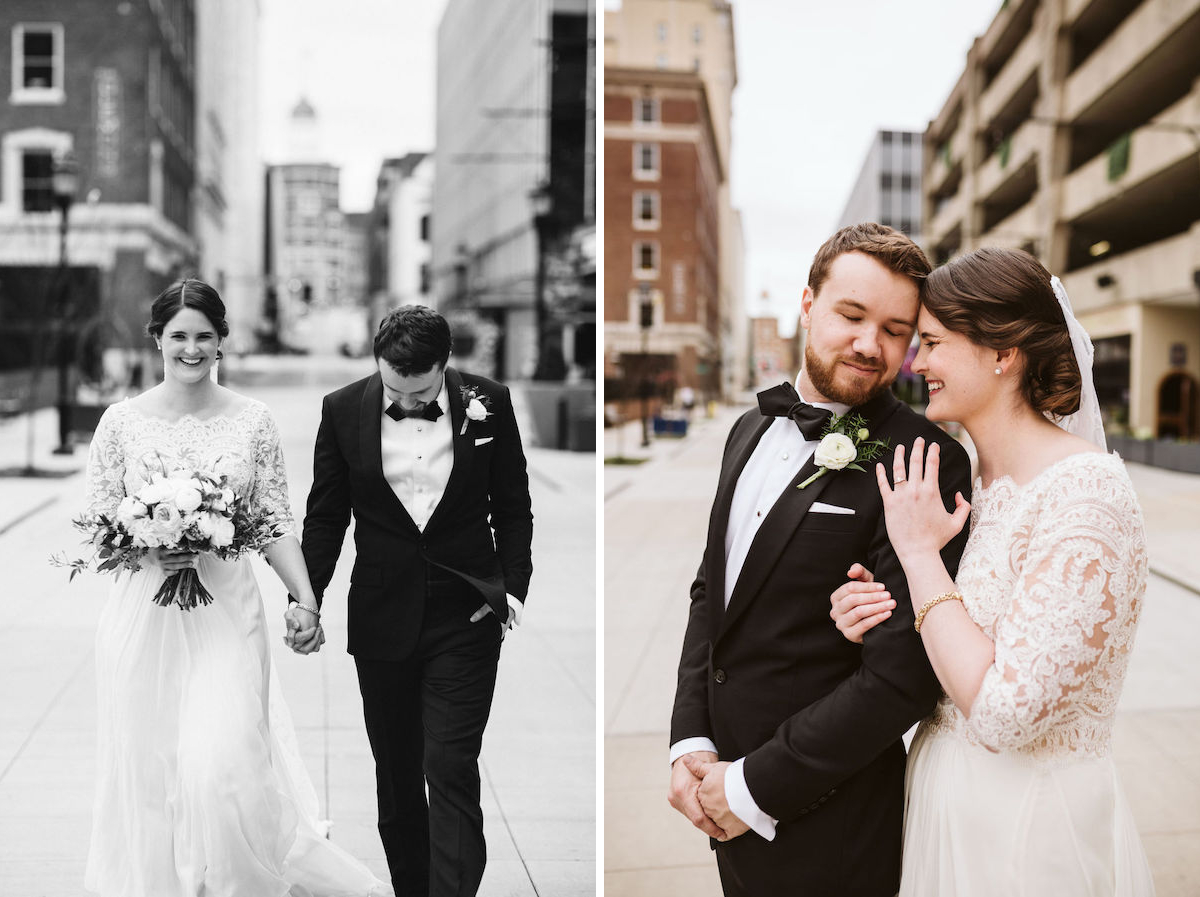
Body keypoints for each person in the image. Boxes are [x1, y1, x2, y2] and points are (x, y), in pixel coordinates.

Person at [829, 247, 1156, 895]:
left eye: (932, 342)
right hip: (946, 808)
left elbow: (1007, 712)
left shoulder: (1085, 493)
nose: (916, 365)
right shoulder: (971, 486)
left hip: (1030, 828)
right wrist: (877, 615)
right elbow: (955, 640)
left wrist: (921, 559)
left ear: (1003, 353)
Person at [668, 223, 974, 897]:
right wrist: (690, 740)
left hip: (826, 817)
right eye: (852, 315)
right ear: (808, 304)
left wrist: (750, 786)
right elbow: (710, 595)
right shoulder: (747, 430)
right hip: (720, 793)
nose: (871, 345)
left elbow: (903, 675)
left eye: (896, 329)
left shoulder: (925, 460)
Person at [82, 279, 390, 896]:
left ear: (223, 341)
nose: (191, 349)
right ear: (158, 340)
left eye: (204, 337)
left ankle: (237, 885)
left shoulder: (253, 420)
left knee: (220, 764)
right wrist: (148, 542)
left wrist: (305, 599)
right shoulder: (121, 422)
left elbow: (274, 520)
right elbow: (99, 524)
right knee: (151, 771)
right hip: (145, 619)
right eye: (179, 337)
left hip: (227, 611)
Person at [294, 305, 533, 897]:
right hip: (381, 618)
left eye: (419, 390)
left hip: (467, 613)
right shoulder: (342, 409)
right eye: (393, 389)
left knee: (450, 765)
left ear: (445, 367)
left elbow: (512, 504)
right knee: (398, 775)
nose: (403, 401)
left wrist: (510, 591)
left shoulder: (490, 401)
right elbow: (326, 515)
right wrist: (306, 598)